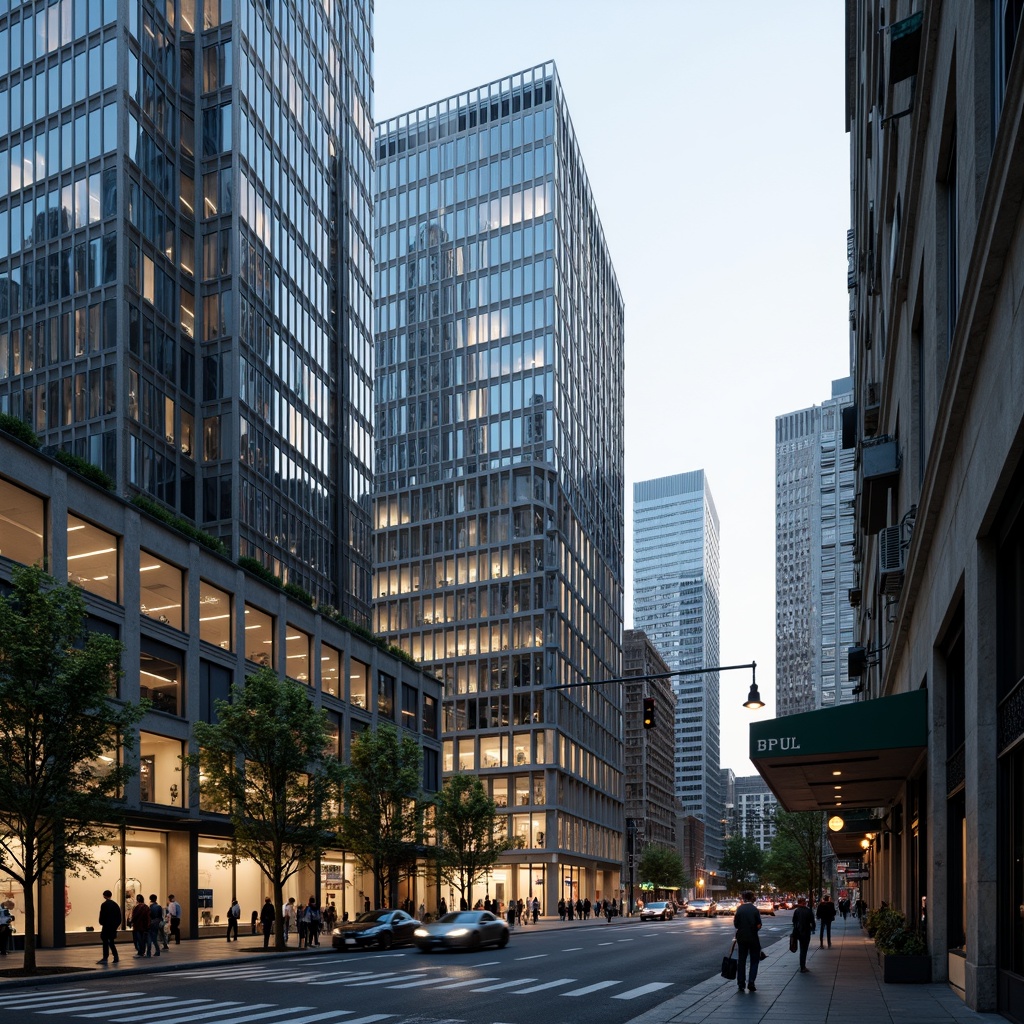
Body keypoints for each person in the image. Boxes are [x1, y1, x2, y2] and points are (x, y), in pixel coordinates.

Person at [733, 891, 762, 993]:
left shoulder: (739, 909)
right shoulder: (754, 910)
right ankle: (751, 982)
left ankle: (741, 983)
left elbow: (736, 924)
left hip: (741, 938)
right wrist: (754, 929)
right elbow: (759, 925)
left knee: (742, 960)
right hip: (753, 937)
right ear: (752, 898)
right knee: (754, 960)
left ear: (743, 898)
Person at [96, 889, 121, 964]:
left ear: (104, 896)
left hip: (106, 926)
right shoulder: (115, 905)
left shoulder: (104, 905)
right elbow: (119, 917)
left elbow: (102, 916)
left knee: (105, 941)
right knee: (111, 942)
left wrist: (102, 922)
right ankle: (115, 956)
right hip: (113, 927)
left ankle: (105, 957)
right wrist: (116, 926)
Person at [791, 896, 815, 972]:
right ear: (804, 903)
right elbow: (812, 922)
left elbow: (794, 921)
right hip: (806, 932)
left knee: (802, 948)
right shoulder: (808, 911)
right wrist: (812, 929)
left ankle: (802, 965)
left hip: (799, 932)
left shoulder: (797, 911)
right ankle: (803, 966)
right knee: (804, 949)